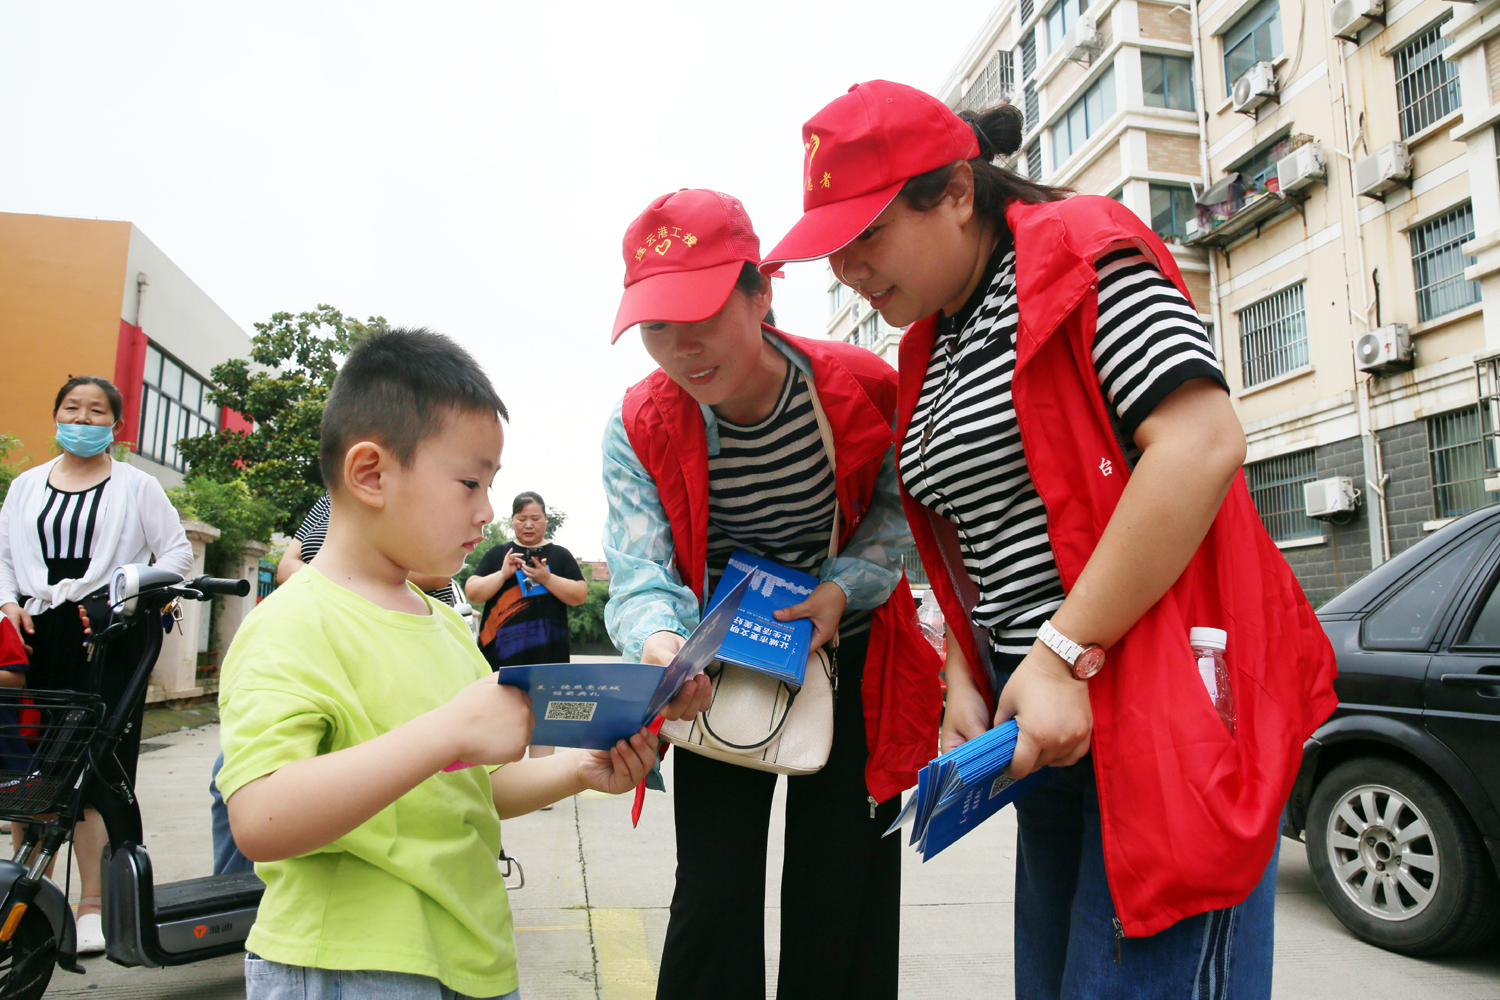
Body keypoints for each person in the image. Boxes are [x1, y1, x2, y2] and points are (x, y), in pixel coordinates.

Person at [760, 82, 1338, 999]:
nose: (849, 270)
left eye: (867, 234)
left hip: (1156, 696)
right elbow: (976, 534)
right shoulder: (932, 341)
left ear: (957, 192)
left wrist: (1066, 649)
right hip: (1048, 713)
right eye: (833, 251)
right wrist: (965, 673)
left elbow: (1200, 442)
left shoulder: (1080, 246)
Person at [217, 327, 659, 1000]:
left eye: (492, 486)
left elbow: (478, 788)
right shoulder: (292, 623)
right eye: (470, 483)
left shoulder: (447, 626)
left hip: (472, 958)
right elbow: (260, 819)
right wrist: (448, 731)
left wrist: (579, 770)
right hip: (347, 966)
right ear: (371, 474)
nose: (488, 512)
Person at [602, 188, 941, 1000]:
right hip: (715, 666)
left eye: (703, 314)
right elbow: (641, 569)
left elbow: (902, 510)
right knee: (714, 890)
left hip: (847, 648)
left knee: (842, 886)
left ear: (762, 294)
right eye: (656, 326)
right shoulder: (638, 424)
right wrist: (660, 645)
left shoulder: (860, 386)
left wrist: (842, 591)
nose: (683, 348)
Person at [0, 375, 195, 954]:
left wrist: (122, 592)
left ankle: (93, 903)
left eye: (95, 412)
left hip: (106, 636)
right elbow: (3, 557)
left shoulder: (138, 487)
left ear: (116, 425)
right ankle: (26, 892)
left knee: (93, 765)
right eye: (71, 409)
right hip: (35, 634)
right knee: (32, 767)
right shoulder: (26, 486)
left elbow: (178, 555)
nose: (81, 420)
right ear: (56, 416)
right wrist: (8, 604)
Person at [465, 491, 586, 669]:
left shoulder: (560, 555)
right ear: (512, 520)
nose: (528, 525)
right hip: (498, 658)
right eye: (522, 519)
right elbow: (472, 593)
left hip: (549, 658)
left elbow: (580, 595)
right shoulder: (499, 554)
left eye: (535, 519)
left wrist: (547, 579)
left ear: (545, 518)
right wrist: (502, 574)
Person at [277, 492, 458, 605]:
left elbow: (436, 575)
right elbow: (286, 567)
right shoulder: (331, 498)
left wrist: (334, 577)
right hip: (324, 621)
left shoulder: (420, 492)